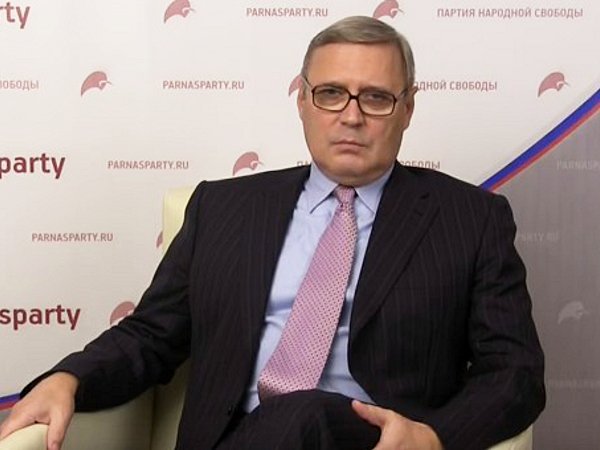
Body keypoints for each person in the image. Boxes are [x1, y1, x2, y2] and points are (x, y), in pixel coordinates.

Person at [0, 15, 544, 450]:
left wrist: (434, 437)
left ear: (407, 110)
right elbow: (151, 335)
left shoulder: (470, 219)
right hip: (232, 436)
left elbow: (514, 372)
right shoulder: (222, 208)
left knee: (304, 412)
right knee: (291, 419)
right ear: (302, 101)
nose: (351, 116)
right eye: (331, 93)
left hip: (372, 438)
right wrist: (69, 378)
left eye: (376, 98)